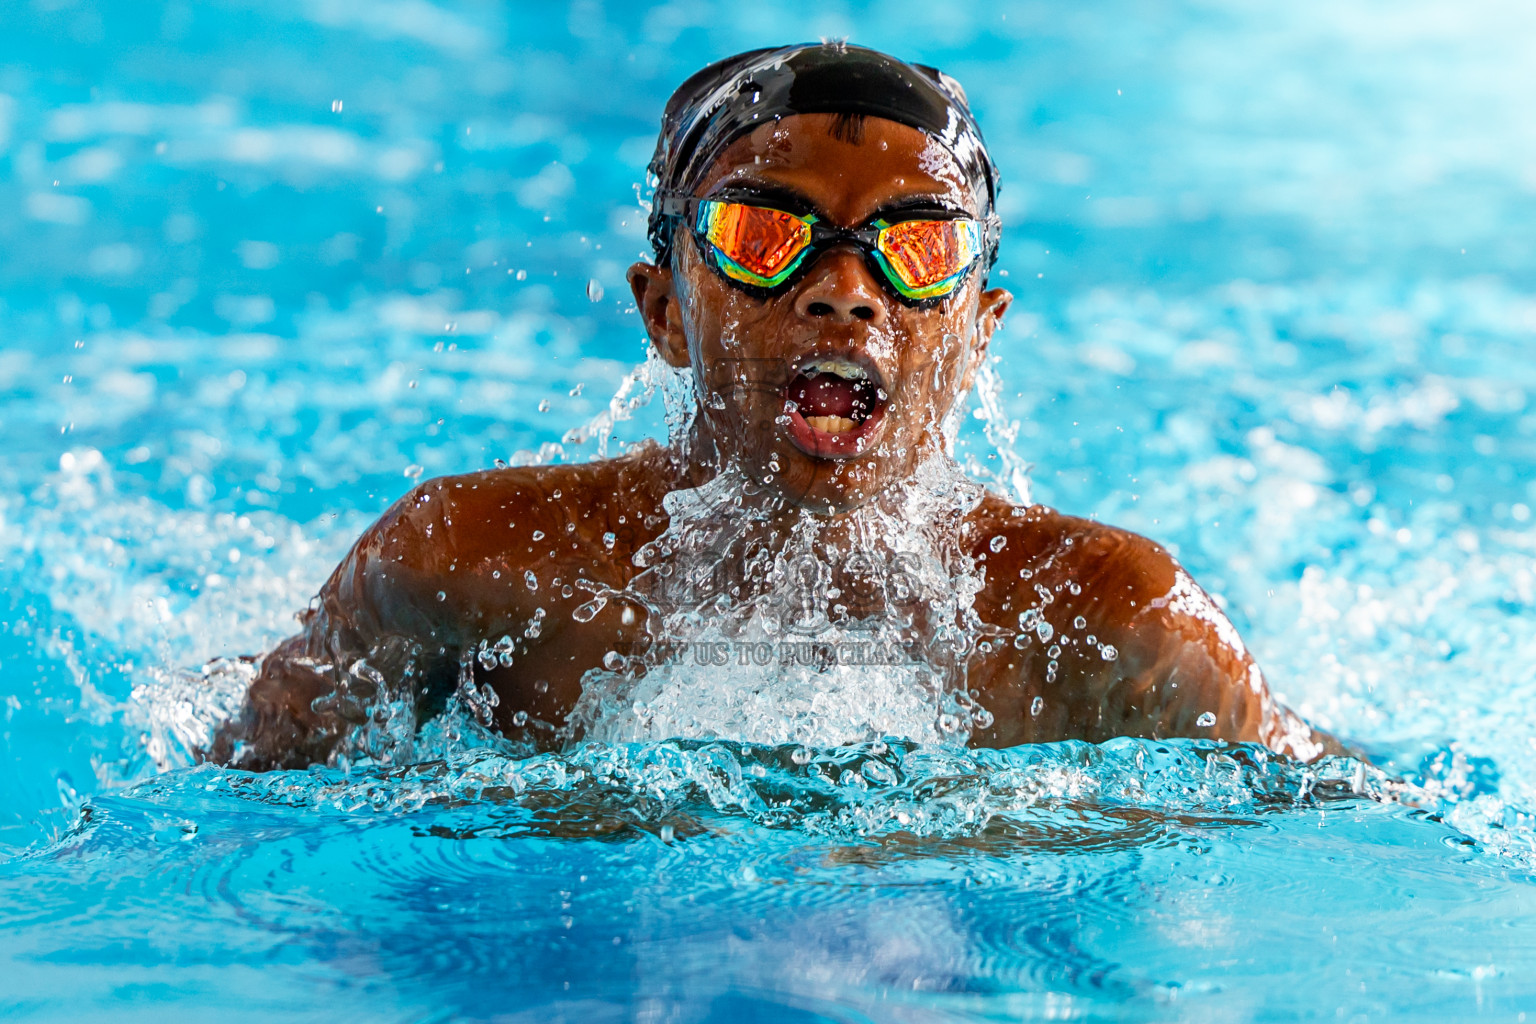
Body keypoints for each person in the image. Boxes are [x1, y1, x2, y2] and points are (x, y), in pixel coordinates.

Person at [210, 43, 1337, 771]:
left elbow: (1343, 811)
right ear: (664, 311)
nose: (846, 289)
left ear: (980, 329)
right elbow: (239, 796)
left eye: (917, 244)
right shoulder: (465, 563)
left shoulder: (1122, 622)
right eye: (766, 236)